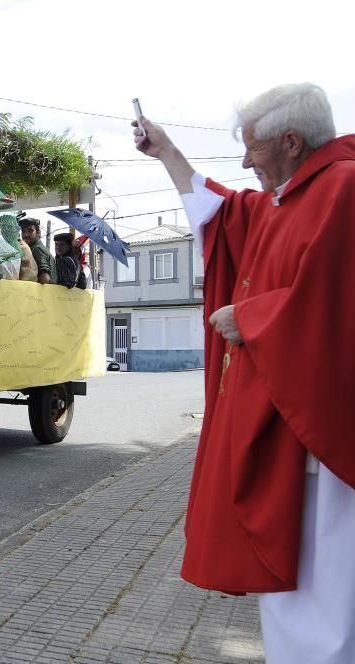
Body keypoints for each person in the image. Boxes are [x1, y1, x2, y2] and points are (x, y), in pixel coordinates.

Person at [134, 82, 355, 664]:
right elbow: (226, 212)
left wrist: (253, 317)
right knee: (295, 587)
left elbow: (338, 305)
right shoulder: (292, 196)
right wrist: (166, 153)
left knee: (327, 585)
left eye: (253, 148)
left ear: (291, 141)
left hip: (321, 435)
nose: (244, 161)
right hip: (286, 424)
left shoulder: (345, 189)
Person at [18, 215, 56, 284]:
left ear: (38, 233)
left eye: (30, 231)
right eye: (23, 231)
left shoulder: (37, 249)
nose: (26, 234)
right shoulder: (36, 248)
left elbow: (45, 278)